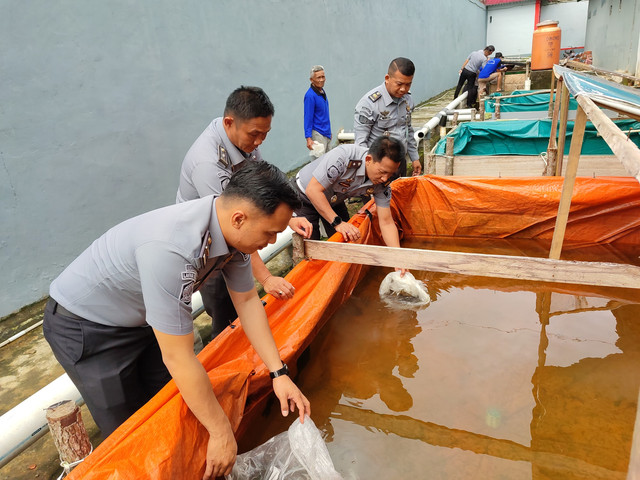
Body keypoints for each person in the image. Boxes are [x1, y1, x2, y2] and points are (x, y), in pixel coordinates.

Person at [43, 162, 311, 479]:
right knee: (131, 431)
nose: (271, 241)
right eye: (270, 233)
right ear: (240, 218)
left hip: (141, 319)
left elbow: (248, 301)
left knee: (175, 405)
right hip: (88, 326)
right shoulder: (174, 247)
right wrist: (222, 433)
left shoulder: (234, 234)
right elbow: (178, 356)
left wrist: (278, 372)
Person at [176, 86, 312, 338]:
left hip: (234, 238)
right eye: (255, 134)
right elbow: (235, 228)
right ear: (230, 123)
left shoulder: (242, 138)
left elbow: (265, 184)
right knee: (226, 318)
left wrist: (289, 218)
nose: (259, 141)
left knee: (247, 305)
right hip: (207, 248)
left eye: (265, 134)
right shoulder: (208, 164)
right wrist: (267, 279)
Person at [293, 135, 407, 275]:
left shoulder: (382, 183)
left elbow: (386, 222)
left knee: (346, 243)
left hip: (335, 199)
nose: (385, 178)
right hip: (305, 196)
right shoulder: (344, 157)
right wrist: (337, 222)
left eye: (390, 174)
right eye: (382, 172)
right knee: (310, 252)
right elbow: (313, 190)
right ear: (369, 160)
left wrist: (398, 257)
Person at [354, 57, 421, 178]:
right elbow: (360, 143)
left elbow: (408, 130)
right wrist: (367, 173)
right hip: (379, 167)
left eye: (408, 84)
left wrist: (414, 157)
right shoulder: (369, 104)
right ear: (387, 78)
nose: (403, 89)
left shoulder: (407, 99)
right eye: (399, 84)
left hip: (400, 163)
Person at [304, 65, 332, 155]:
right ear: (312, 80)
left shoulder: (322, 91)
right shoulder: (310, 96)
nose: (321, 80)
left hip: (326, 133)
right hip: (317, 134)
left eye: (323, 77)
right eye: (318, 77)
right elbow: (307, 117)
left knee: (329, 162)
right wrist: (308, 138)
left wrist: (329, 132)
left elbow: (324, 114)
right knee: (318, 164)